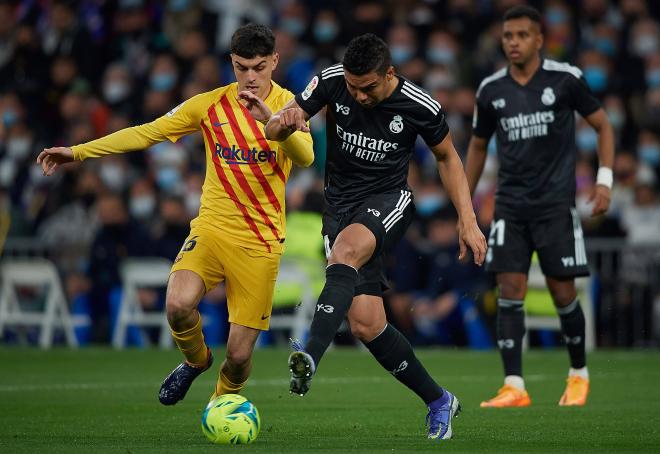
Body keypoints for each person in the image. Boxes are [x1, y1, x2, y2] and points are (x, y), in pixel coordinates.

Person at [37, 24, 314, 405]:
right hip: (212, 228)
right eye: (241, 67)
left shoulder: (291, 106)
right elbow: (146, 132)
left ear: (275, 62)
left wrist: (277, 128)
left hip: (260, 243)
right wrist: (78, 151)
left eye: (259, 67)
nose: (250, 77)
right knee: (178, 305)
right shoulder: (209, 105)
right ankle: (196, 361)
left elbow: (307, 156)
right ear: (231, 63)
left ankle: (221, 404)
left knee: (239, 356)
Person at [260, 33, 487, 441]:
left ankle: (309, 355)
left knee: (345, 251)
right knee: (367, 325)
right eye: (352, 87)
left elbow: (447, 157)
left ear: (389, 74)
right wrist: (282, 122)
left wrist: (467, 220)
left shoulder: (420, 105)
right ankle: (439, 401)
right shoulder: (330, 80)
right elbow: (279, 125)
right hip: (340, 208)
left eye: (367, 88)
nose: (358, 96)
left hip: (389, 200)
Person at [465, 6, 614, 408]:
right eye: (507, 35)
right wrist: (465, 210)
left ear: (538, 39)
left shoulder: (565, 80)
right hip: (510, 206)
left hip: (555, 206)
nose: (512, 42)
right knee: (509, 290)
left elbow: (603, 125)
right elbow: (478, 147)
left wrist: (604, 181)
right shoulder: (490, 90)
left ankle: (579, 376)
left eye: (521, 35)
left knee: (562, 292)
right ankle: (514, 385)